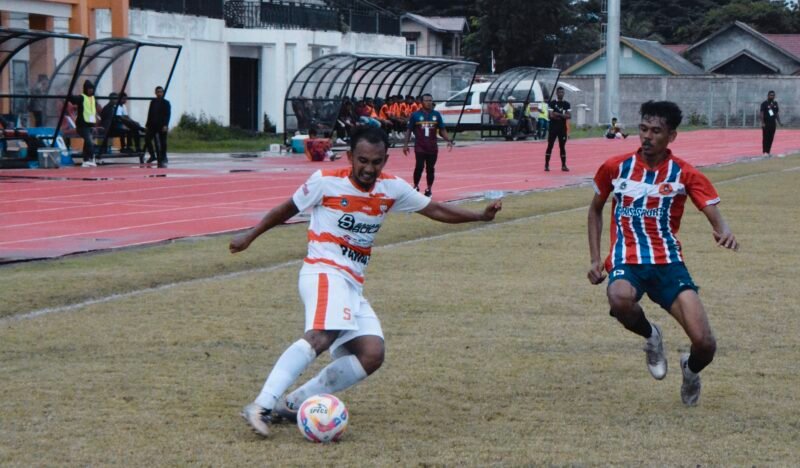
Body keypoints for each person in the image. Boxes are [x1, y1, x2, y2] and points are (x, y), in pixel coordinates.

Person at [232, 126, 502, 437]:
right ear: (350, 157)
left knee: (372, 354)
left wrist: (479, 217)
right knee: (321, 335)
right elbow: (286, 209)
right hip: (323, 270)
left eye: (376, 162)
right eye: (362, 160)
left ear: (385, 160)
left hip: (351, 282)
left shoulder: (392, 189)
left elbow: (436, 209)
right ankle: (261, 405)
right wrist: (250, 236)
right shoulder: (325, 181)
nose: (368, 168)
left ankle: (292, 405)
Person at [587, 100, 739, 406]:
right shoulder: (616, 167)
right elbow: (595, 210)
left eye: (656, 131)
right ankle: (651, 335)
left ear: (671, 136)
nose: (647, 136)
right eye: (643, 129)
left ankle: (690, 370)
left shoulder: (683, 173)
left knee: (705, 344)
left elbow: (710, 207)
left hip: (668, 264)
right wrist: (594, 258)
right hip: (627, 260)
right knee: (618, 298)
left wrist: (722, 228)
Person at [402, 93, 454, 197]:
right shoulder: (415, 115)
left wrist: (448, 140)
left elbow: (442, 130)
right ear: (421, 102)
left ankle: (429, 188)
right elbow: (409, 130)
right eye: (426, 100)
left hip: (432, 147)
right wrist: (405, 144)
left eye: (430, 100)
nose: (429, 102)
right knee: (419, 167)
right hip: (420, 146)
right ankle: (416, 186)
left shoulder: (436, 115)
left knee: (430, 168)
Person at [66, 80, 102, 166]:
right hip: (82, 125)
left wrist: (95, 125)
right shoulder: (81, 97)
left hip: (90, 124)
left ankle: (86, 160)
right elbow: (72, 100)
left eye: (92, 89)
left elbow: (94, 111)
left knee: (87, 142)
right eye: (89, 89)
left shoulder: (93, 98)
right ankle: (90, 158)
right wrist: (70, 92)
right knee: (89, 141)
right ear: (85, 89)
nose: (91, 90)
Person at [544, 86, 571, 172]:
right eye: (559, 92)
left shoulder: (567, 104)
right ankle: (546, 165)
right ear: (556, 93)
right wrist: (562, 115)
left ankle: (563, 165)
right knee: (550, 146)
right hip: (553, 128)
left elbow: (569, 116)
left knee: (562, 147)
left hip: (562, 129)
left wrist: (558, 114)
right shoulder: (552, 103)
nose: (561, 94)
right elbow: (551, 115)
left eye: (562, 92)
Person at [144, 85, 171, 168]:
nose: (159, 93)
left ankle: (164, 157)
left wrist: (166, 125)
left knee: (163, 142)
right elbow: (150, 114)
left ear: (163, 93)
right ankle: (152, 155)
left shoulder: (166, 103)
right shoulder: (153, 102)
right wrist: (147, 124)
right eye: (158, 92)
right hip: (152, 125)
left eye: (161, 92)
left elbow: (168, 115)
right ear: (155, 93)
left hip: (162, 125)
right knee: (147, 138)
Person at [760, 90, 781, 156]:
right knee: (765, 137)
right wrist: (763, 122)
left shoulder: (775, 103)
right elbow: (761, 113)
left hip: (773, 123)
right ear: (768, 95)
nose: (772, 96)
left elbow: (776, 113)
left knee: (771, 138)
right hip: (766, 123)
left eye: (773, 95)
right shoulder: (764, 103)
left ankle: (768, 152)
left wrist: (779, 122)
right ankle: (764, 152)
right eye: (771, 95)